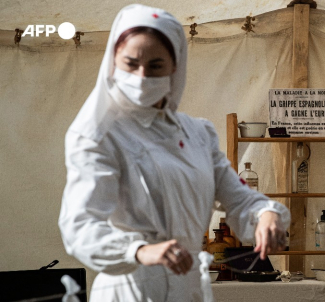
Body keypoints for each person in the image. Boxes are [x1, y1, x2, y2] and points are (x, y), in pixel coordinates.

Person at [58, 4, 290, 301]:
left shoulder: (197, 134)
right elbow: (80, 226)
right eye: (131, 63)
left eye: (155, 66)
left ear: (175, 67)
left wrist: (267, 216)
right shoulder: (99, 135)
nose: (142, 77)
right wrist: (139, 250)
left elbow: (240, 197)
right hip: (132, 288)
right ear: (113, 62)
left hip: (188, 286)